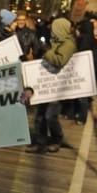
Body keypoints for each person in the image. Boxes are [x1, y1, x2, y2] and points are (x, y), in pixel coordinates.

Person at [27, 16, 76, 153]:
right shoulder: (56, 42)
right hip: (49, 82)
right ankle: (40, 141)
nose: (52, 31)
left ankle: (56, 139)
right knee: (40, 115)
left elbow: (60, 61)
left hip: (57, 85)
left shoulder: (68, 44)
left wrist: (46, 51)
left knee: (50, 115)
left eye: (54, 29)